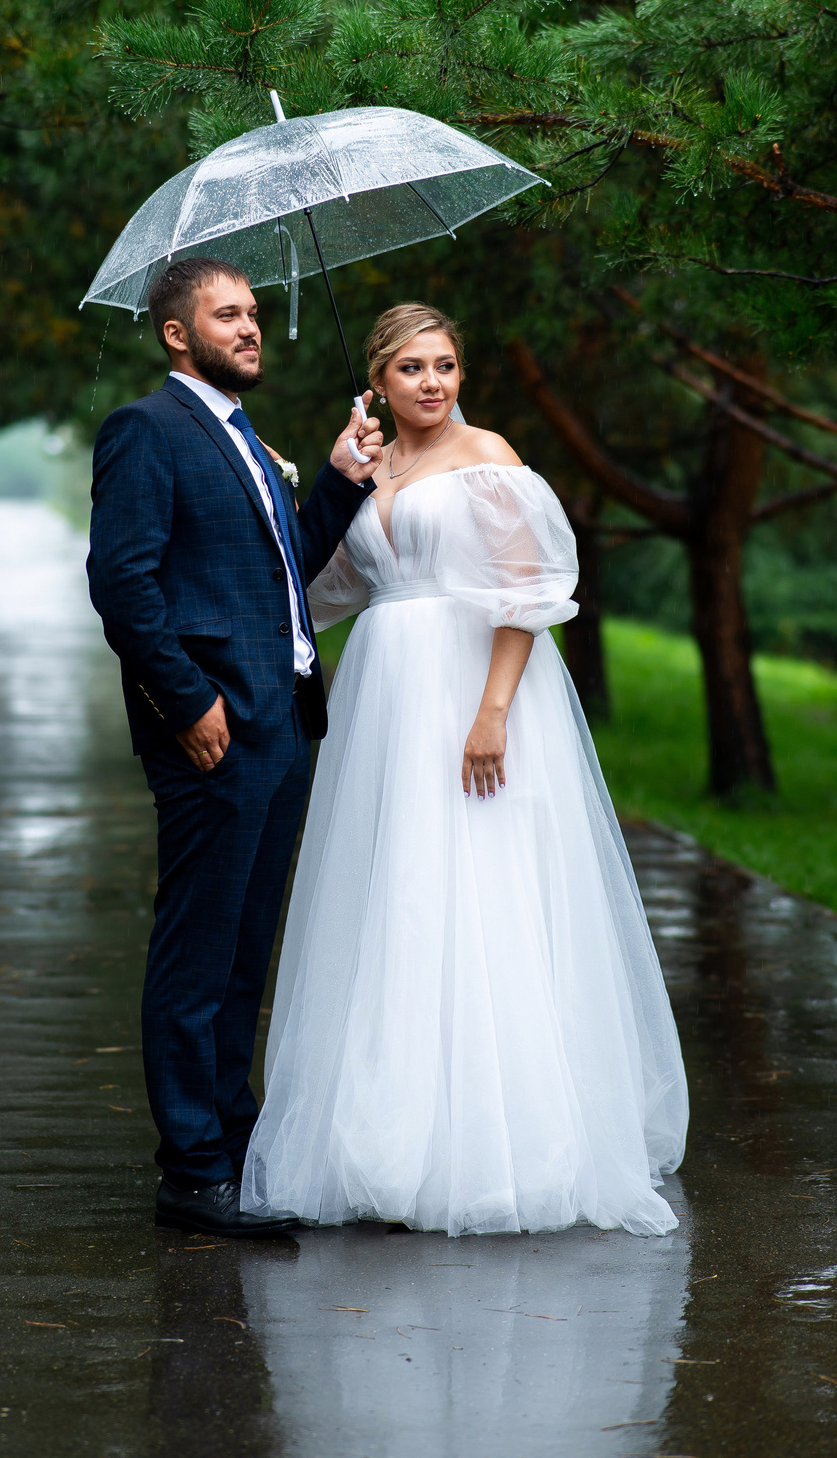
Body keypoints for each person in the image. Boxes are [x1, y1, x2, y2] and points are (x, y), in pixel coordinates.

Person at [242, 302, 689, 1235]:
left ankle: (500, 1142)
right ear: (378, 380)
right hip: (385, 700)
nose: (433, 383)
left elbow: (529, 593)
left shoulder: (489, 457)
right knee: (396, 891)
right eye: (412, 368)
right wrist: (314, 487)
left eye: (445, 364)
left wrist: (492, 713)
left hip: (473, 692)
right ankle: (390, 1130)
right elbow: (322, 587)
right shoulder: (368, 466)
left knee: (482, 886)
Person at [87, 256, 383, 1240]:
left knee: (244, 954)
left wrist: (339, 481)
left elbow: (282, 570)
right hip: (212, 733)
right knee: (197, 953)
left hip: (283, 721)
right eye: (227, 315)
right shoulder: (146, 430)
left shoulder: (244, 436)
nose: (251, 327)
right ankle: (191, 1170)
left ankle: (235, 1147)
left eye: (253, 313)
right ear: (178, 333)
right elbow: (123, 584)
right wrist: (185, 702)